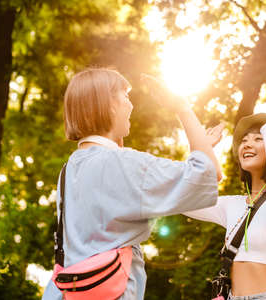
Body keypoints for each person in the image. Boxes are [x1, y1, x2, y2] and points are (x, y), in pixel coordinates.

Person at [42, 68, 222, 300]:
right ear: (109, 105)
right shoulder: (123, 164)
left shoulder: (69, 169)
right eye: (125, 97)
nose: (131, 106)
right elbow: (207, 173)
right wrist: (182, 107)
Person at [184, 102, 266, 300]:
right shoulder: (232, 204)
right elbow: (184, 201)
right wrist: (200, 150)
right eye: (244, 140)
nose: (247, 144)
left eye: (259, 139)